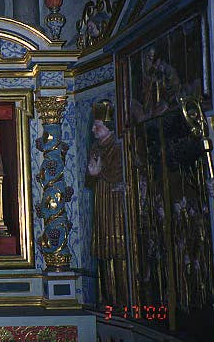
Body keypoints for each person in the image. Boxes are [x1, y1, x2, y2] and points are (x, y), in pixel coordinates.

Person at [87, 99, 129, 307]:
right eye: (94, 126)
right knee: (103, 248)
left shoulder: (118, 146)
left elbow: (119, 172)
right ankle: (106, 299)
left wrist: (98, 171)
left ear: (108, 128)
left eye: (98, 126)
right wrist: (93, 173)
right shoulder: (95, 147)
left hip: (115, 202)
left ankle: (123, 300)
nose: (94, 129)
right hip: (101, 201)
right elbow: (89, 178)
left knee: (118, 248)